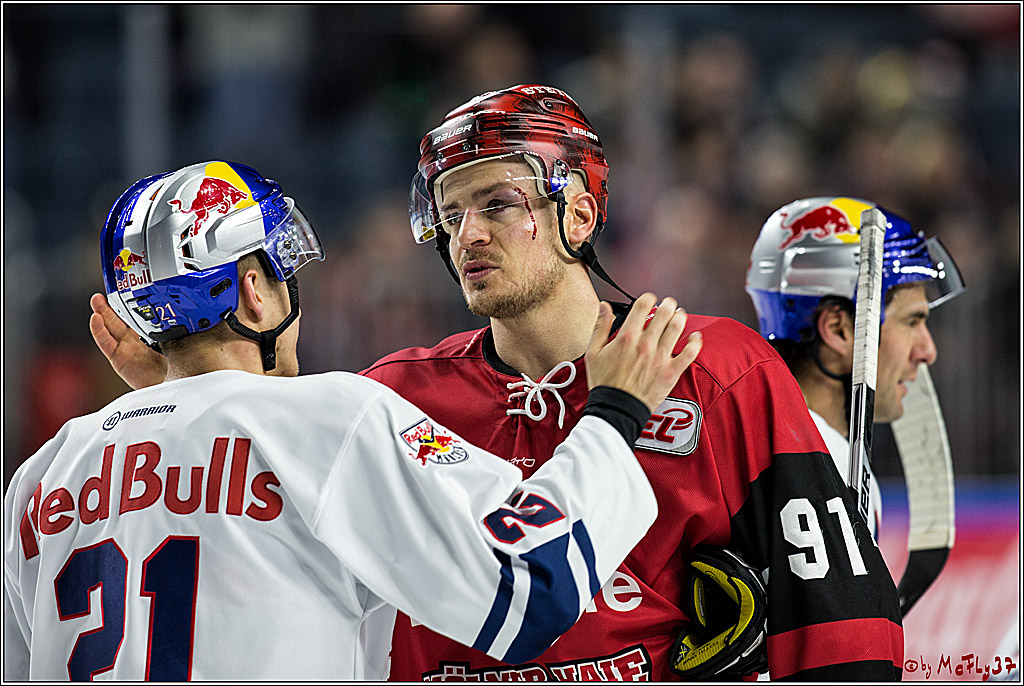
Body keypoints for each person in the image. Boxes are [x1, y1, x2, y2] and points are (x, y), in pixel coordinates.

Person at [85, 88, 906, 680]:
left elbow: (844, 622)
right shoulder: (392, 396)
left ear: (579, 217)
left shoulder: (715, 368)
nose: (466, 234)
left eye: (497, 203)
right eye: (449, 213)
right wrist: (178, 390)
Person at [4, 161, 704, 680]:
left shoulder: (42, 473)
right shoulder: (332, 418)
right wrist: (615, 413)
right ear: (254, 292)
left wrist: (181, 403)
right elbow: (530, 589)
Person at [745, 197, 965, 539]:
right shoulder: (828, 472)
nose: (927, 351)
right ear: (838, 330)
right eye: (911, 321)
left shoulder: (750, 446)